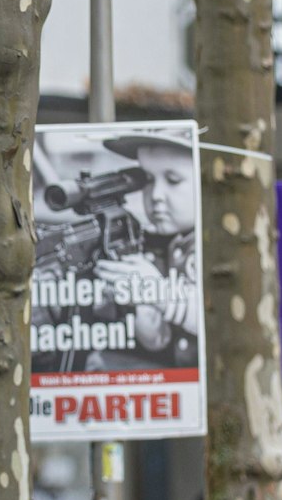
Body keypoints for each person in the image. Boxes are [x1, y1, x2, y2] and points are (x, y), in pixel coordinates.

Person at [84, 131, 200, 370]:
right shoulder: (156, 244)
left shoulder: (222, 247)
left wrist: (158, 293)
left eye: (173, 180)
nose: (155, 195)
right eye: (147, 179)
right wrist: (139, 304)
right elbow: (158, 341)